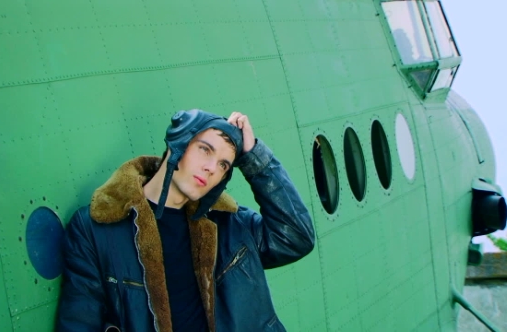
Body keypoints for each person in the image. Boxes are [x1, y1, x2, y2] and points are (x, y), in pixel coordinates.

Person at [56, 109, 315, 332]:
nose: (212, 168)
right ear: (178, 142)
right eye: (205, 149)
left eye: (224, 165)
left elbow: (296, 237)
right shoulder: (97, 227)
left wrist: (254, 158)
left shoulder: (229, 225)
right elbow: (80, 320)